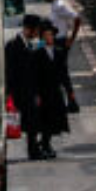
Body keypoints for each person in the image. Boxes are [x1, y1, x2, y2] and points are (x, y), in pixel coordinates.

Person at [5, 15, 43, 159]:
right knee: (27, 122)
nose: (38, 33)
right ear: (29, 29)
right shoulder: (13, 45)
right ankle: (33, 150)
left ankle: (34, 149)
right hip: (20, 92)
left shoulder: (30, 44)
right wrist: (10, 94)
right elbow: (9, 71)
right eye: (36, 30)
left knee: (33, 121)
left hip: (29, 91)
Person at [32, 22, 70, 159]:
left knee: (55, 120)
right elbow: (34, 76)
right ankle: (45, 145)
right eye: (46, 35)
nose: (49, 37)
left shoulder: (59, 52)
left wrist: (69, 91)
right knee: (45, 120)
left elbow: (64, 74)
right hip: (44, 92)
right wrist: (36, 94)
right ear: (42, 37)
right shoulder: (37, 54)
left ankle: (45, 143)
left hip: (55, 91)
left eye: (50, 35)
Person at [44, 0, 82, 112]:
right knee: (60, 74)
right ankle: (70, 103)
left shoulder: (60, 6)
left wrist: (71, 38)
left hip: (60, 43)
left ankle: (70, 103)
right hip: (56, 42)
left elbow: (77, 18)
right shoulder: (55, 6)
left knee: (60, 74)